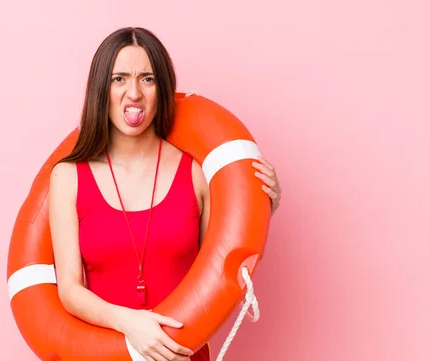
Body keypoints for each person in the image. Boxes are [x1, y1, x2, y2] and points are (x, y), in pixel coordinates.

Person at [48, 27, 281, 361]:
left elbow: (225, 262)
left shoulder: (196, 172)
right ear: (101, 88)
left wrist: (265, 204)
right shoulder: (68, 177)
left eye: (147, 79)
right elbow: (70, 290)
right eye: (119, 79)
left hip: (182, 354)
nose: (134, 93)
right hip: (106, 354)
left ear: (163, 89)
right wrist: (130, 324)